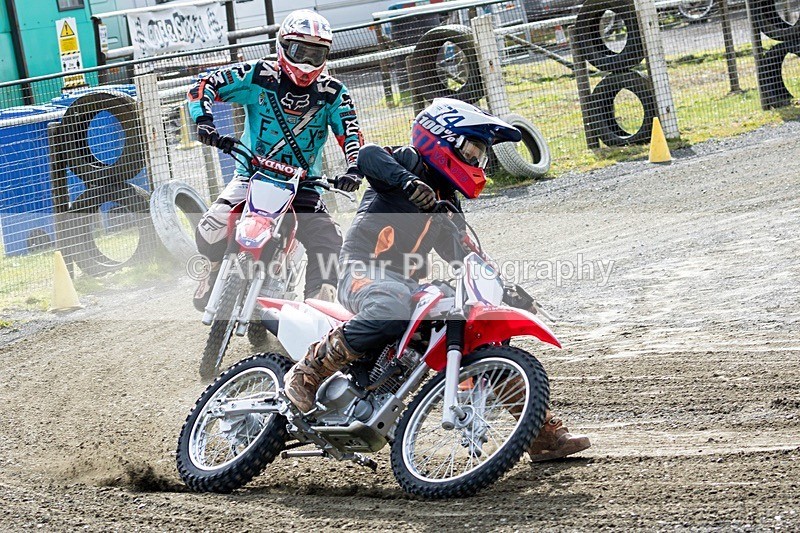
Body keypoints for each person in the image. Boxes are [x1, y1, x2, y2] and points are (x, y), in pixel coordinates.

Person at [283, 97, 591, 462]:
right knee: (391, 301)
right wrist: (409, 182)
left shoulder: (448, 205)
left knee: (468, 319)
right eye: (472, 151)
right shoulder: (407, 163)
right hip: (360, 271)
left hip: (409, 286)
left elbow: (469, 256)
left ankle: (539, 434)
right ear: (442, 139)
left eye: (481, 156)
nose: (477, 163)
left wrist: (509, 290)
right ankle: (308, 371)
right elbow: (367, 155)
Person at [187, 9, 364, 310]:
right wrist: (204, 122)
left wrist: (355, 167)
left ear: (326, 55)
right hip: (252, 175)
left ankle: (314, 316)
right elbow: (205, 85)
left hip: (304, 185)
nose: (307, 62)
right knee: (208, 231)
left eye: (316, 54)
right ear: (283, 45)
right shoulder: (259, 75)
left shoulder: (333, 92)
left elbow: (351, 131)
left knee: (330, 244)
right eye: (300, 51)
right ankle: (214, 268)